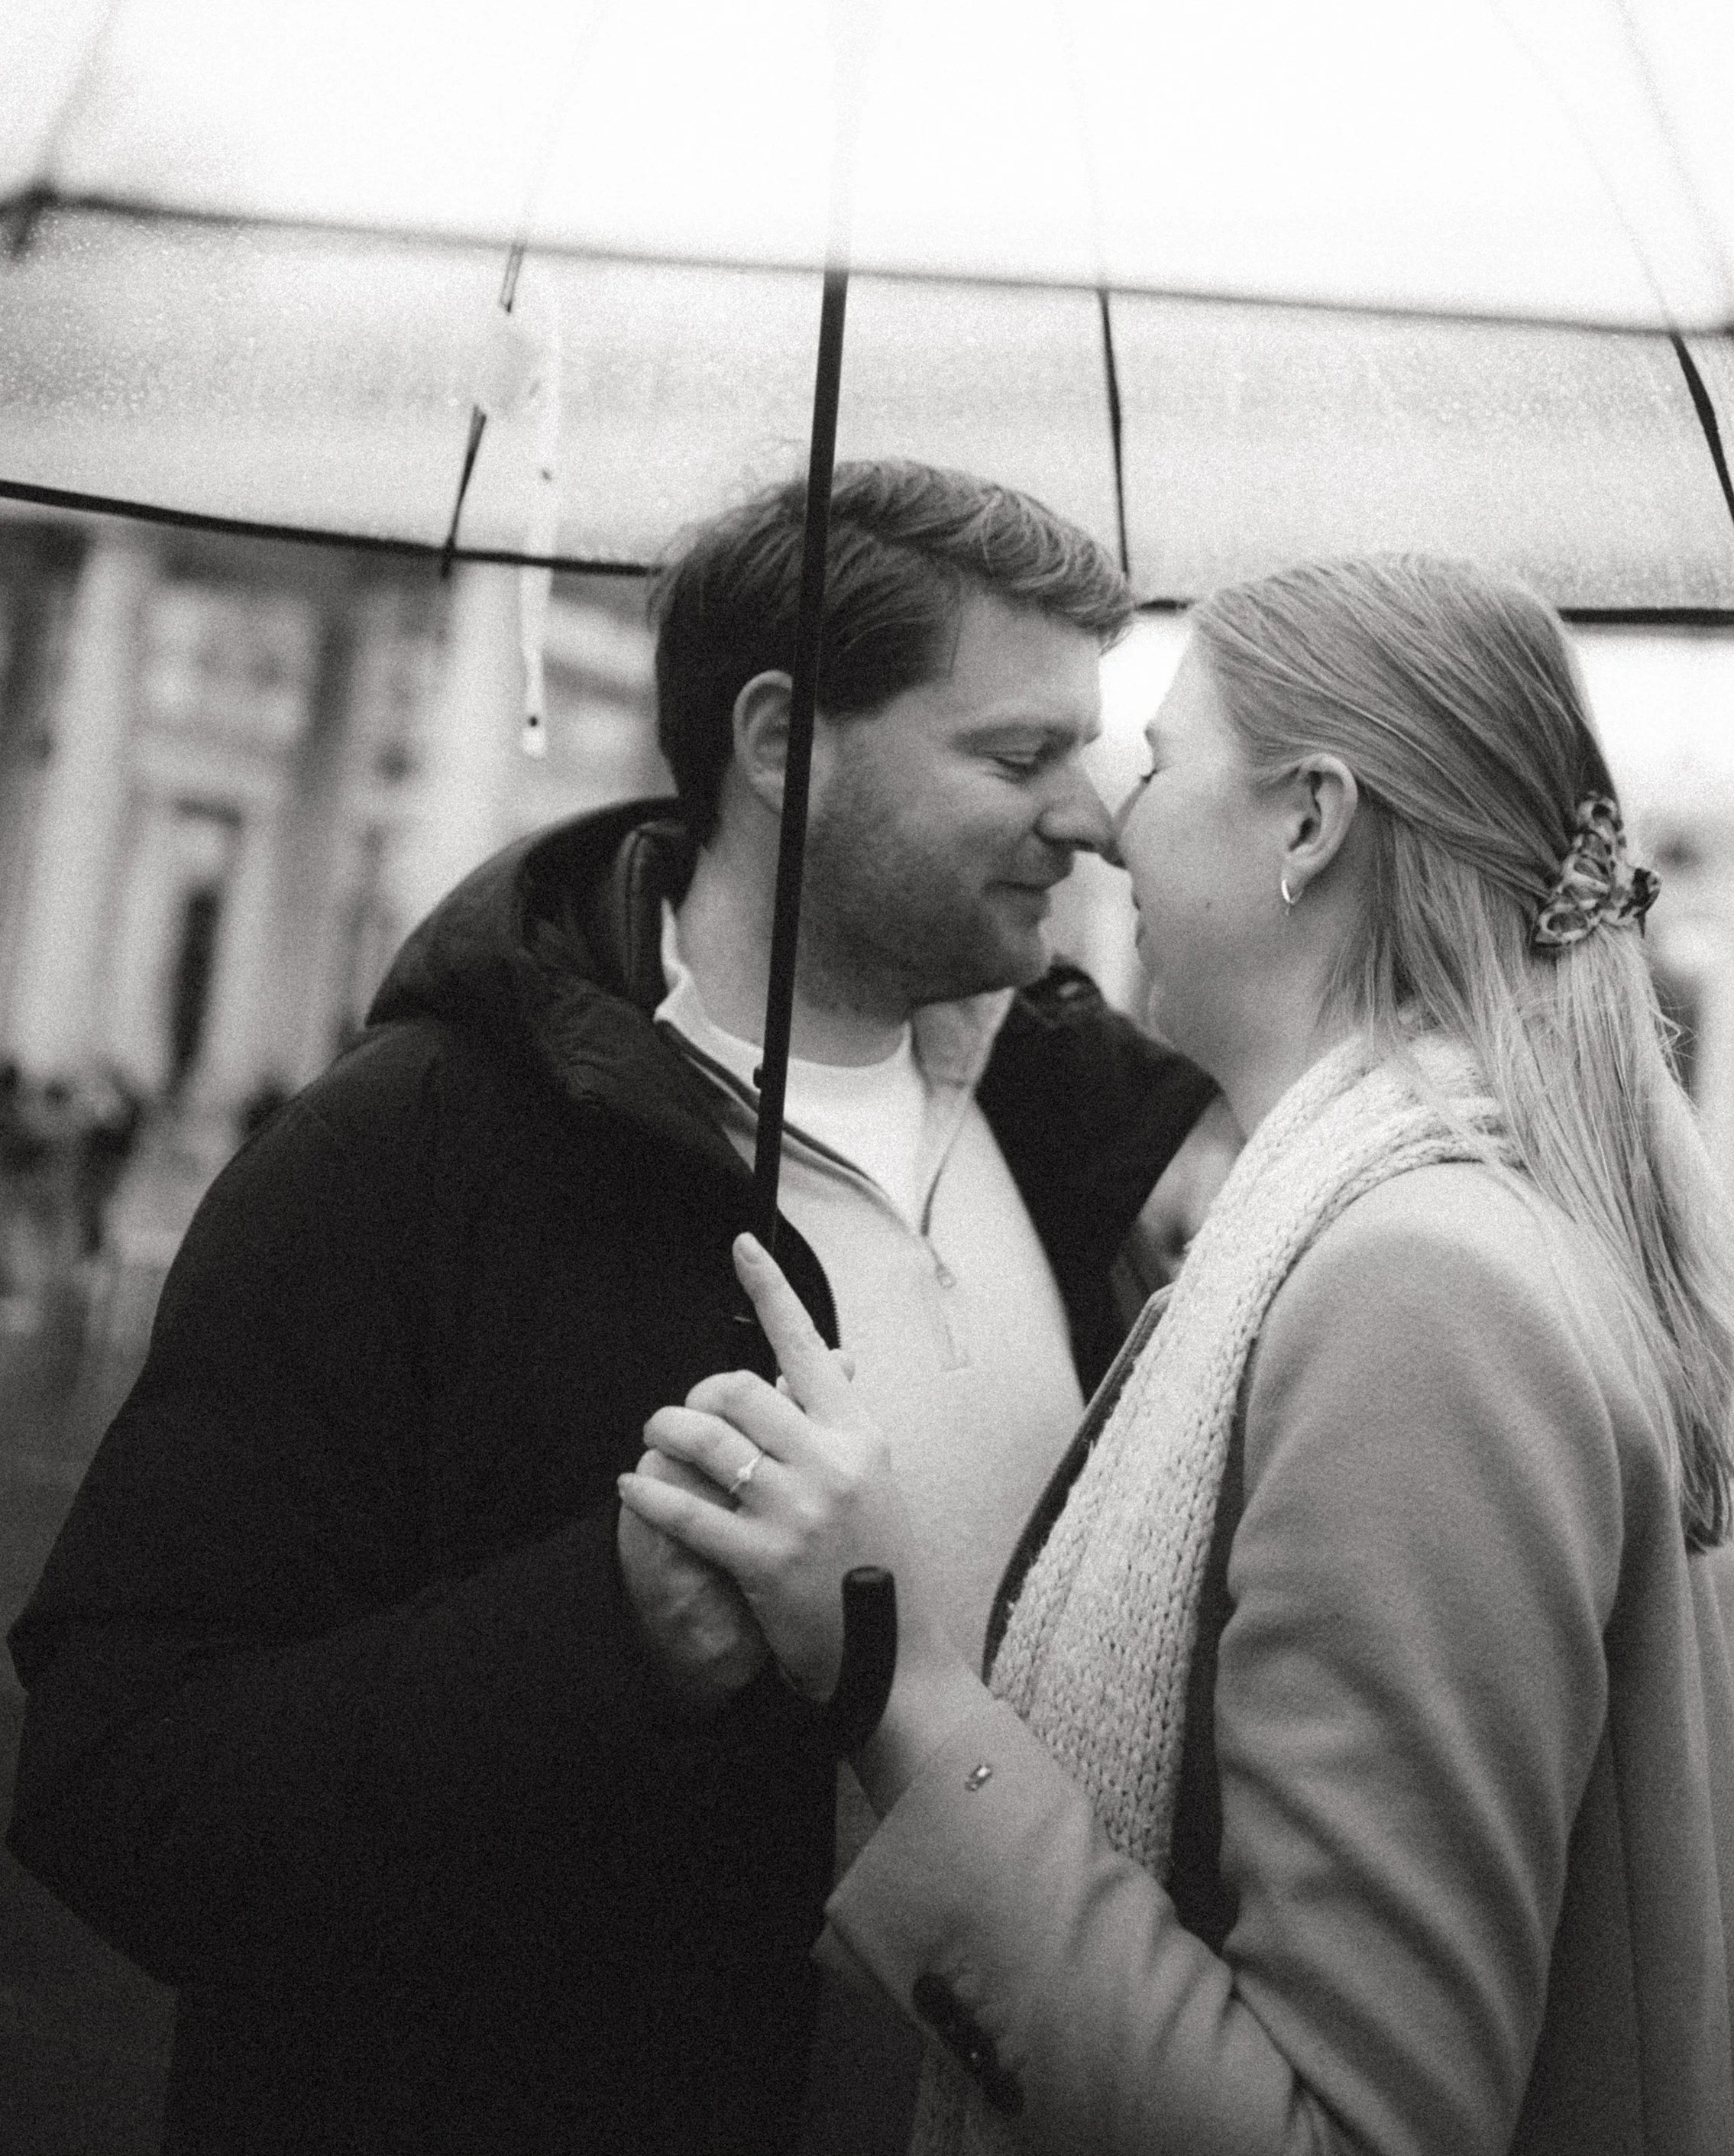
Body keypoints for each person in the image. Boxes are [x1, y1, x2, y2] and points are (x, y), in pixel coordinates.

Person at [5, 462, 1217, 2156]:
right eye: (1018, 758)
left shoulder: (1077, 1143)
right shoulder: (402, 1153)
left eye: (1085, 752)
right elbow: (117, 1783)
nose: (1089, 817)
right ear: (782, 741)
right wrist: (605, 1636)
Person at [626, 552, 1734, 2156]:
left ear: (1309, 821)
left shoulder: (1417, 1297)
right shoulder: (1371, 1232)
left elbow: (1340, 2131)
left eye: (1161, 762)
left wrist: (895, 1684)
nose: (1109, 825)